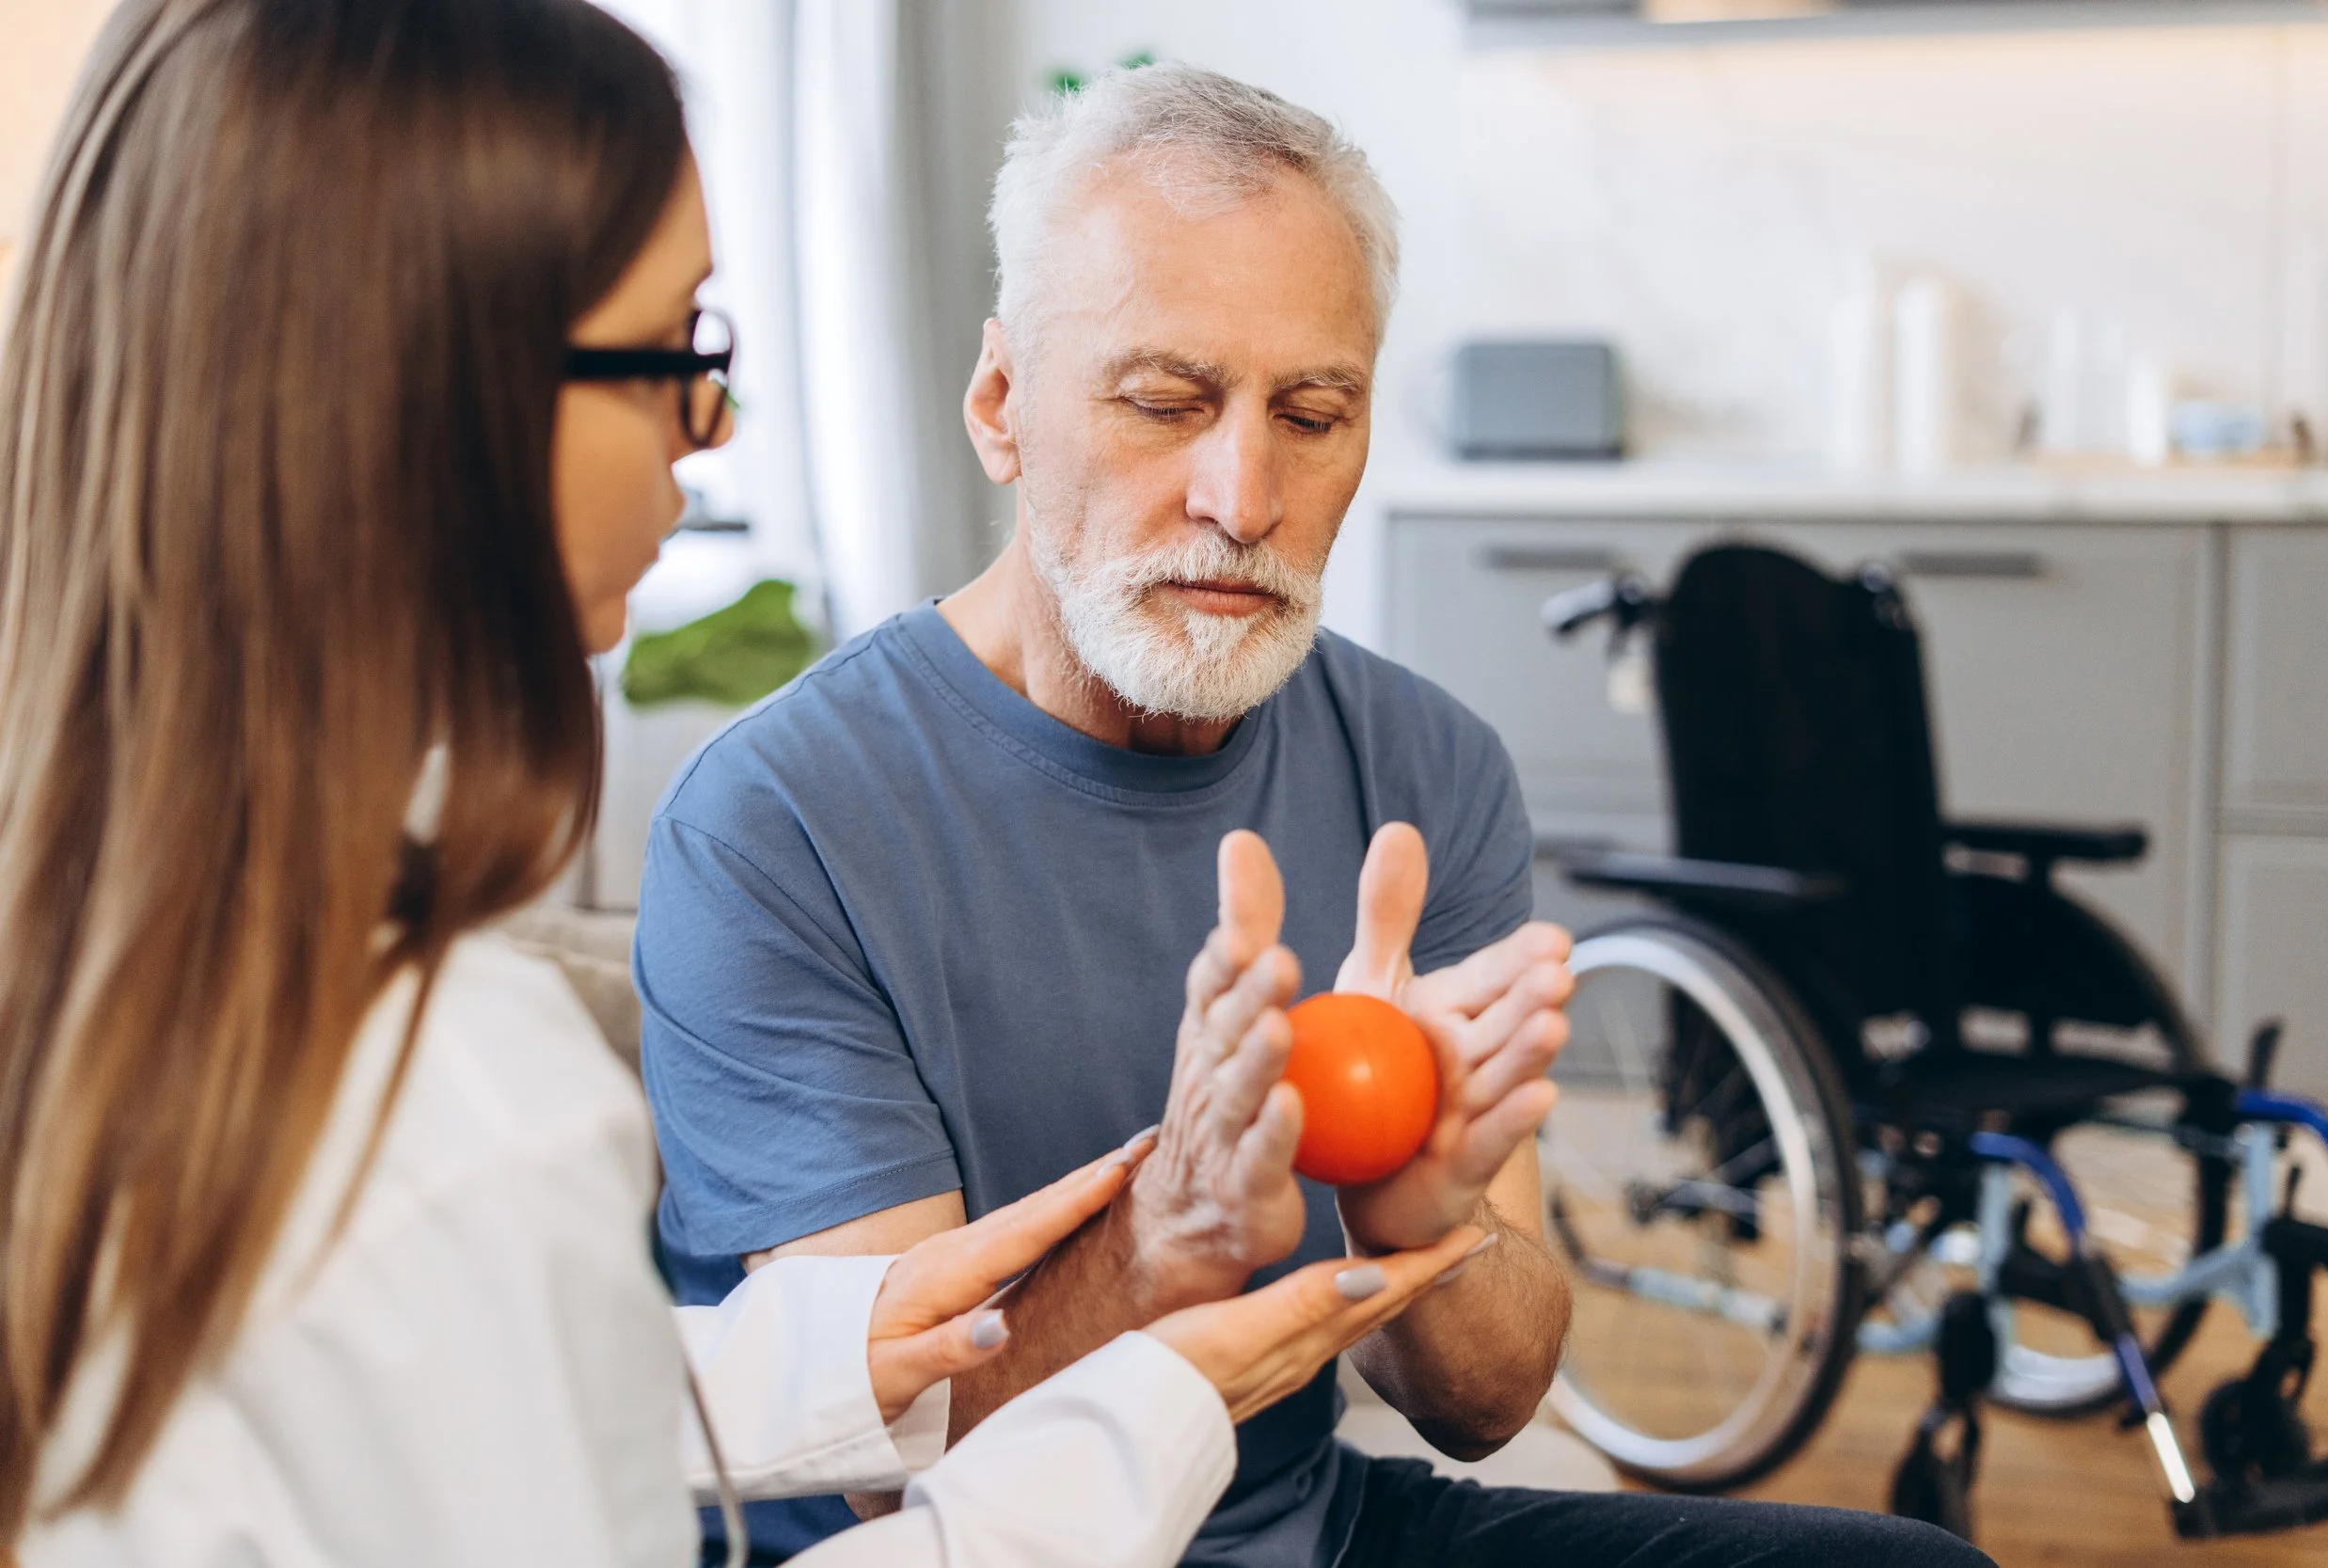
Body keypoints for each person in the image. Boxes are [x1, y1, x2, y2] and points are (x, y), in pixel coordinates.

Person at [0, 6, 1486, 1566]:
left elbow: (460, 1420)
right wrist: (1147, 1405)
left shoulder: (158, 991)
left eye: (1314, 413)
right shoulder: (457, 1113)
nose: (706, 436)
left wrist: (812, 1365)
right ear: (424, 398)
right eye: (676, 353)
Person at [636, 62, 1995, 1568]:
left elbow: (1489, 1398)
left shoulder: (1427, 762)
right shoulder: (776, 821)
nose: (1243, 490)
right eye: (1166, 401)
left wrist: (1423, 1219)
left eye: (1312, 411)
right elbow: (892, 1471)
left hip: (1313, 1528)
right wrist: (1163, 1234)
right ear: (1002, 403)